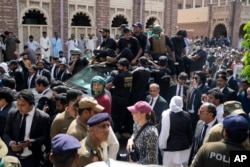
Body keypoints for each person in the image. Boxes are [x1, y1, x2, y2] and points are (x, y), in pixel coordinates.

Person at [3, 89, 50, 167]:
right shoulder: (13, 114)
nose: (19, 108)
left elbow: (45, 137)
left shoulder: (43, 117)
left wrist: (31, 142)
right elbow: (6, 133)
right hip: (13, 157)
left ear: (31, 104)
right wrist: (11, 143)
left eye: (22, 105)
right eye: (18, 104)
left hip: (32, 158)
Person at [159, 96, 192, 166]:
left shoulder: (165, 114)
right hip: (183, 147)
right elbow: (189, 132)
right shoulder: (186, 115)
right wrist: (190, 144)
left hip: (170, 146)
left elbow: (161, 130)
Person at [105, 58, 133, 137]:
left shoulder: (119, 76)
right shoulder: (130, 74)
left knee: (114, 115)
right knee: (122, 116)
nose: (118, 68)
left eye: (120, 66)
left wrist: (105, 86)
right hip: (126, 98)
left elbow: (109, 86)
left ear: (124, 67)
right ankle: (119, 131)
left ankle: (115, 131)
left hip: (117, 99)